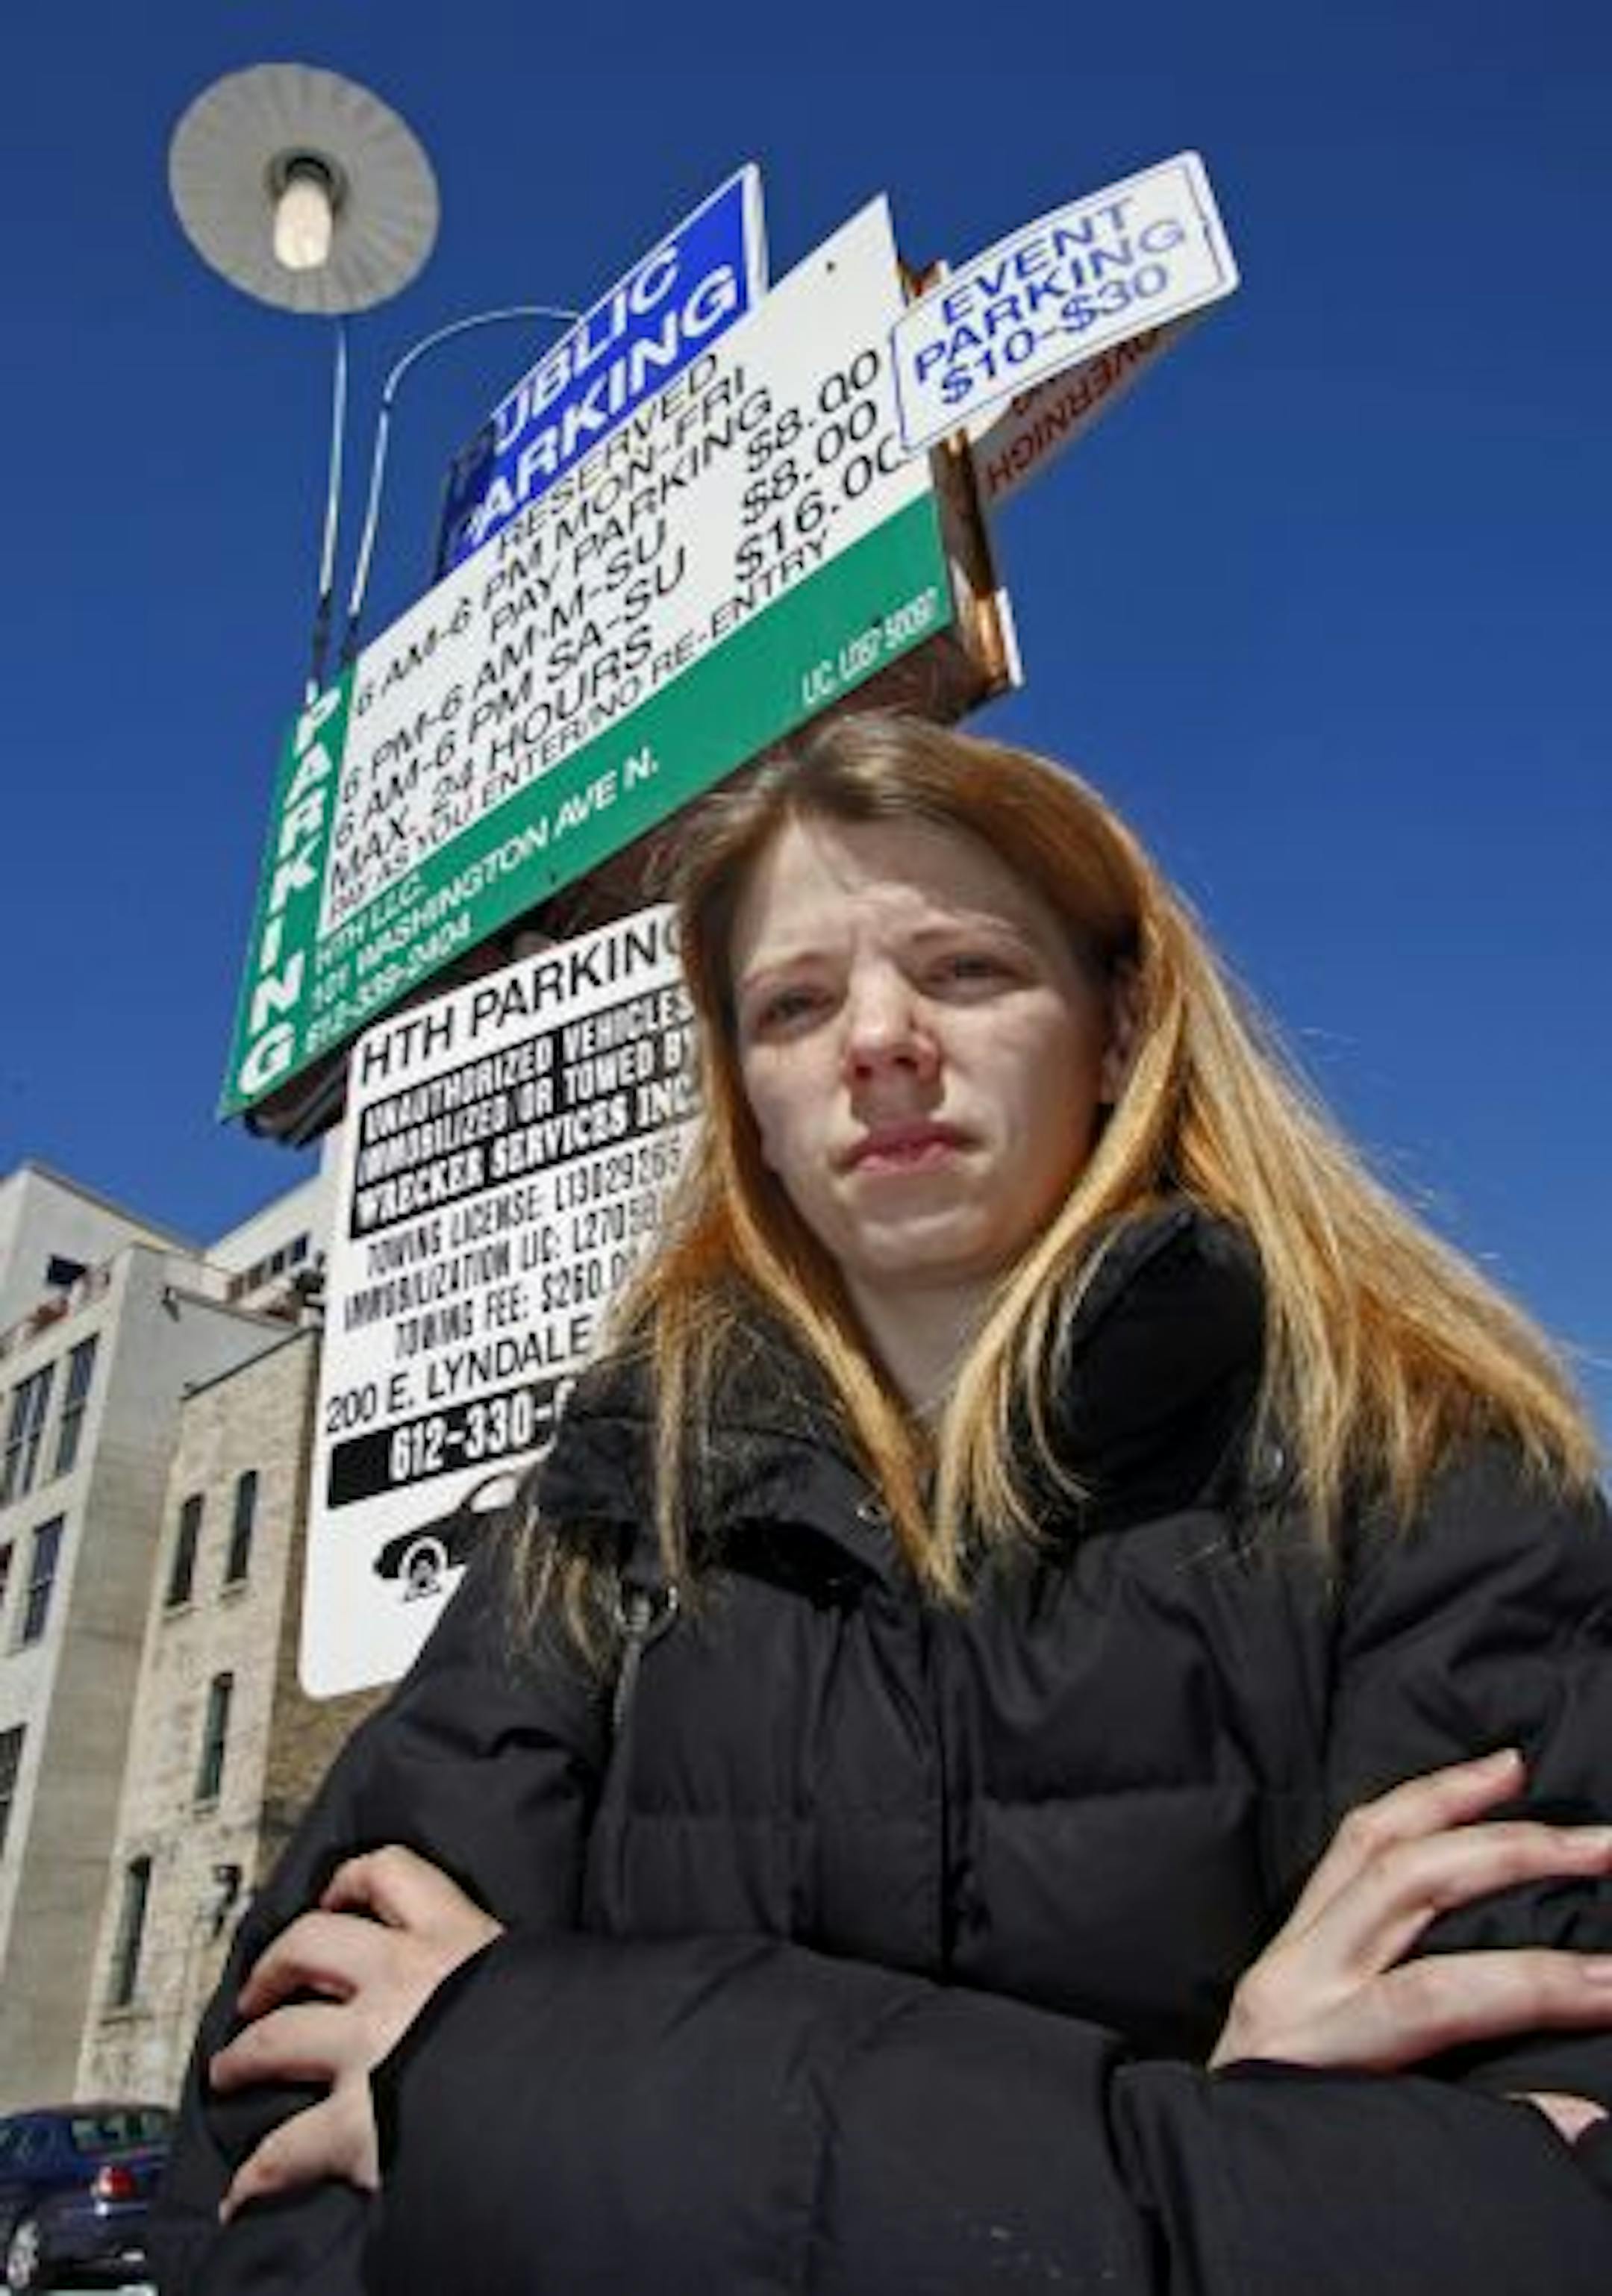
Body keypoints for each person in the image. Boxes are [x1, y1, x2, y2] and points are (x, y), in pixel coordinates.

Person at [154, 713, 1612, 2295]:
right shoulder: (592, 1530)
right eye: (794, 1005)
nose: (880, 1038)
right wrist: (1227, 2137)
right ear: (750, 1105)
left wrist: (520, 2084)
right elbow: (268, 2183)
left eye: (967, 969)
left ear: (1119, 1030)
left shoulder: (1424, 1472)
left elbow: (1536, 2215)